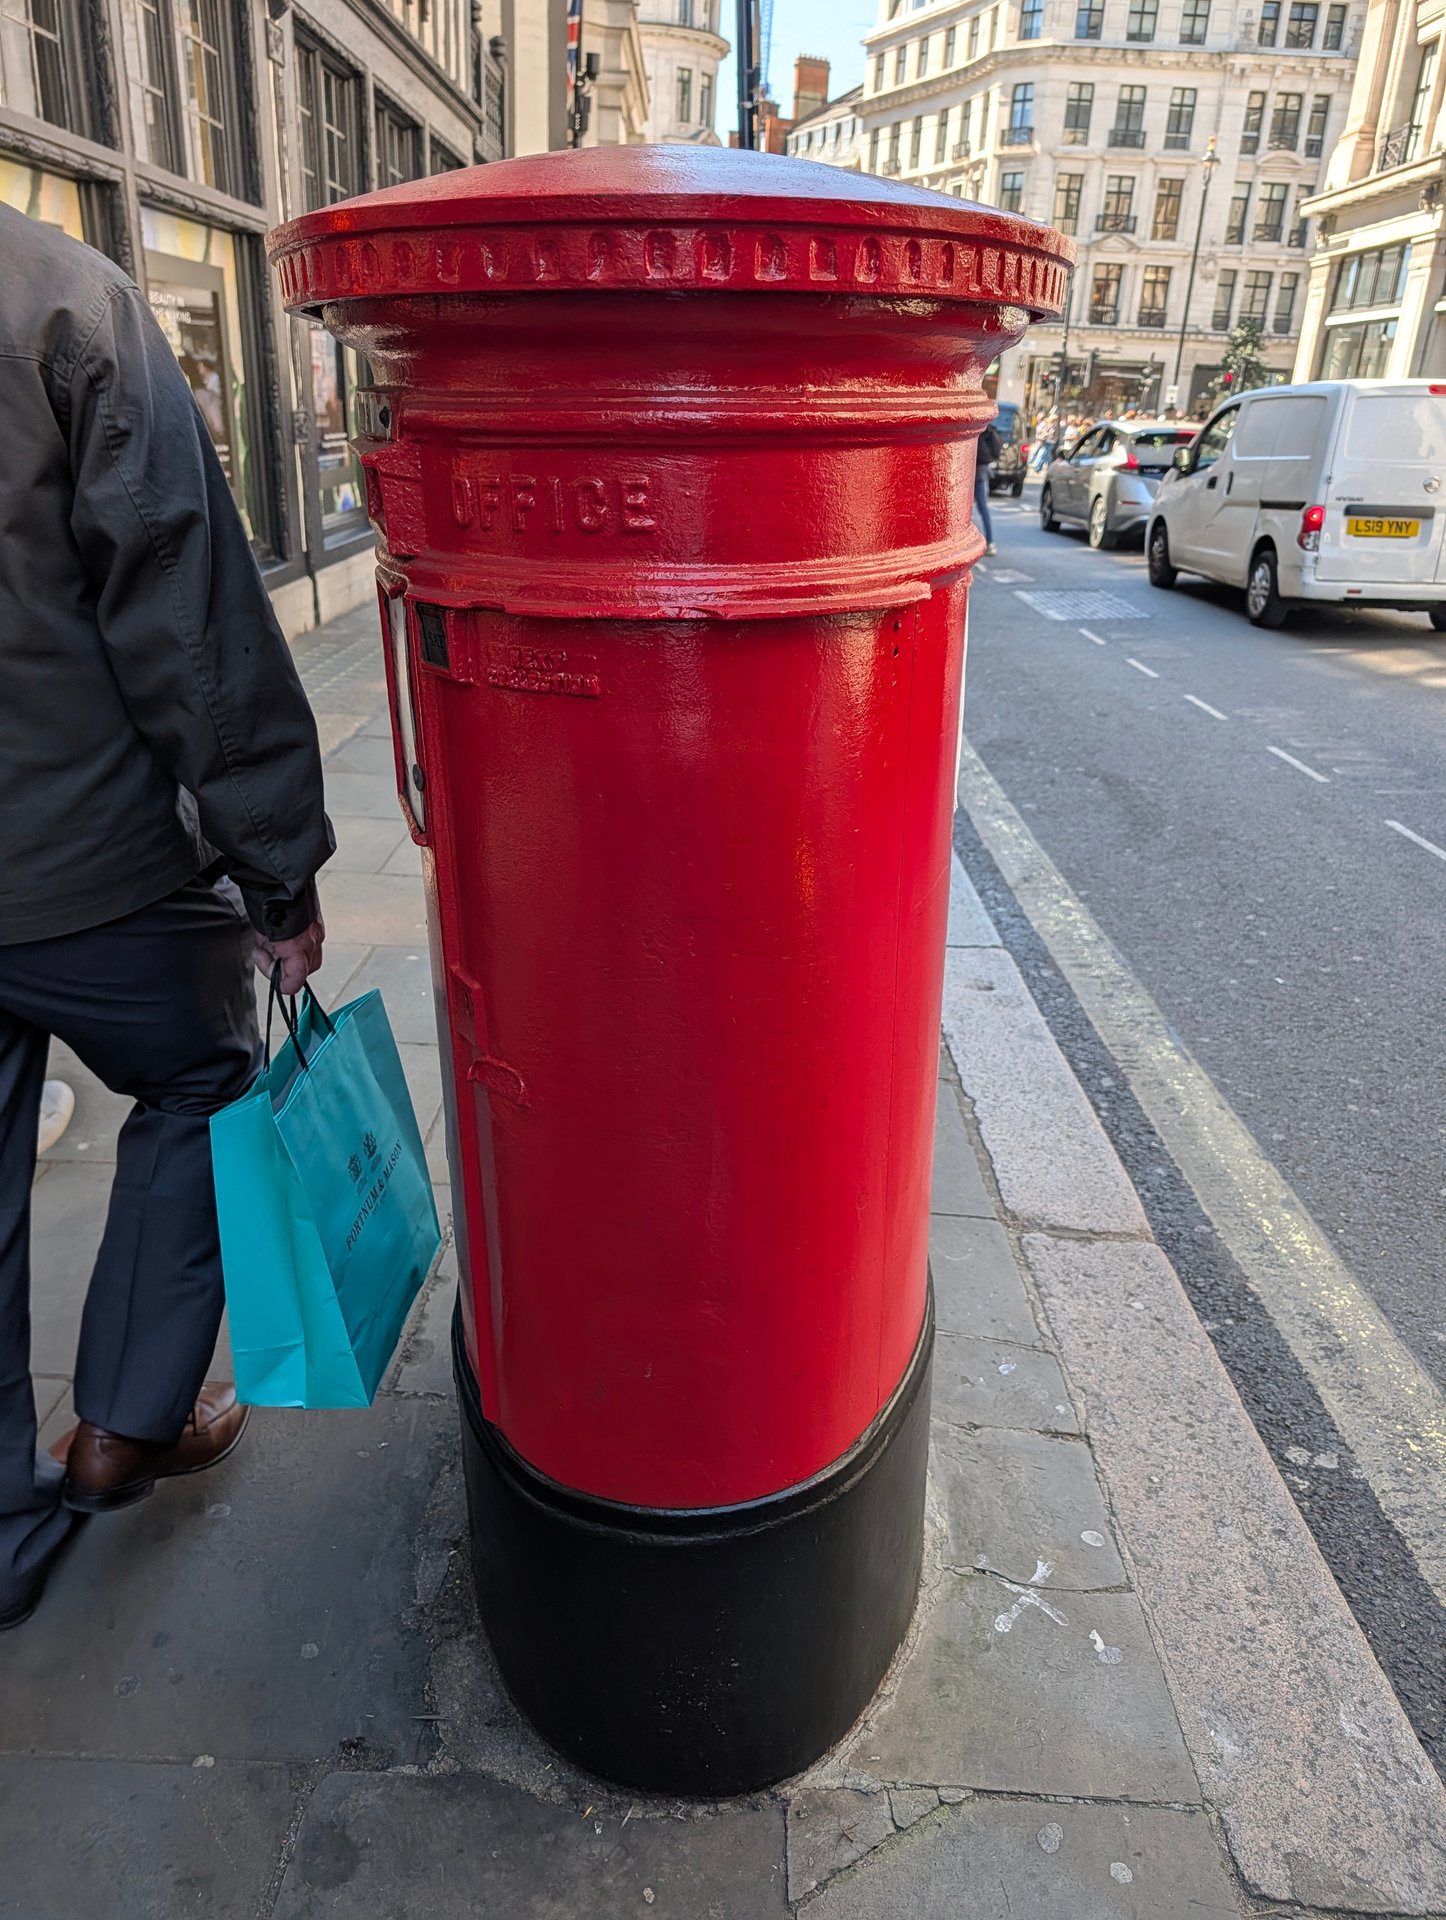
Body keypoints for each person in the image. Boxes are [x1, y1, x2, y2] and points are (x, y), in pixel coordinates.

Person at [0, 206, 333, 1630]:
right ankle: (128, 1421)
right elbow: (187, 614)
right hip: (79, 860)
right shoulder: (59, 299)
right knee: (201, 1080)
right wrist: (280, 869)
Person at [974, 418, 1002, 556]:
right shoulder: (988, 428)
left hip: (974, 468)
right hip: (984, 469)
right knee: (983, 506)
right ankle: (990, 541)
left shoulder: (974, 426)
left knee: (966, 508)